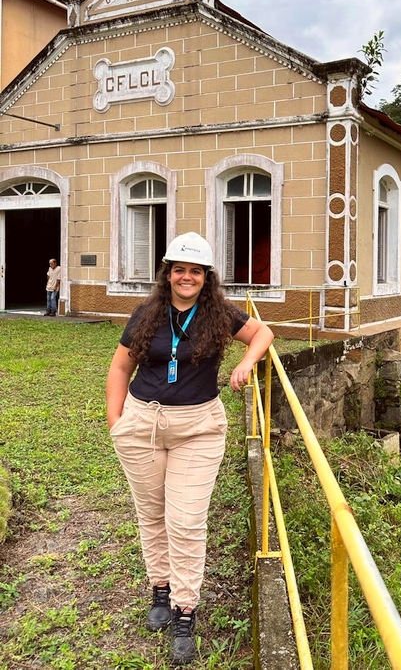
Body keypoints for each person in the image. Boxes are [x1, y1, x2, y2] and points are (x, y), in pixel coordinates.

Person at [106, 232, 274, 666]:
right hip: (143, 423)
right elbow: (121, 367)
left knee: (186, 520)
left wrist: (245, 361)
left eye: (195, 271)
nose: (186, 277)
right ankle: (159, 590)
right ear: (168, 274)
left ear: (206, 277)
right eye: (179, 269)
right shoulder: (147, 313)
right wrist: (118, 423)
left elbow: (263, 333)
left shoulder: (219, 313)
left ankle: (185, 610)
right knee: (152, 513)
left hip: (198, 429)